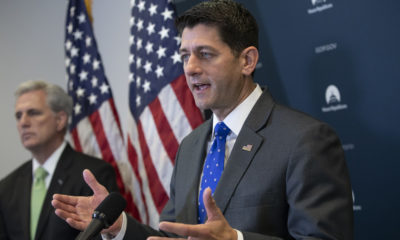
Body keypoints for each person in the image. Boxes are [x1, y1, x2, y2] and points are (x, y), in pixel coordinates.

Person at [52, 0, 354, 239]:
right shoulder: (191, 145)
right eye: (185, 56)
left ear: (247, 61)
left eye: (205, 54)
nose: (191, 68)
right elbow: (173, 236)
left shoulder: (304, 140)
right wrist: (118, 226)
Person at [0, 80, 119, 240]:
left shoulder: (95, 175)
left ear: (60, 120)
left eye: (33, 112)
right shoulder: (7, 187)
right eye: (18, 115)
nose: (23, 122)